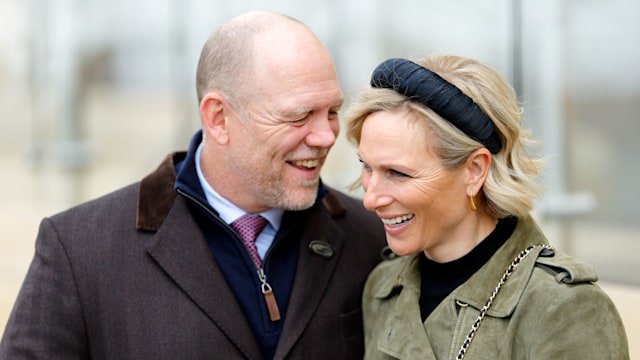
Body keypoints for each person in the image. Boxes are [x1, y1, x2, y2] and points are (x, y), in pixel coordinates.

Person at [0, 10, 386, 359]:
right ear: (218, 118)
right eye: (299, 116)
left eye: (332, 112)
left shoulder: (372, 237)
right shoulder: (78, 249)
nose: (325, 136)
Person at [344, 55, 630, 359]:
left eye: (397, 173)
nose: (371, 199)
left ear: (475, 171)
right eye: (367, 167)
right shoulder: (382, 288)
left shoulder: (563, 309)